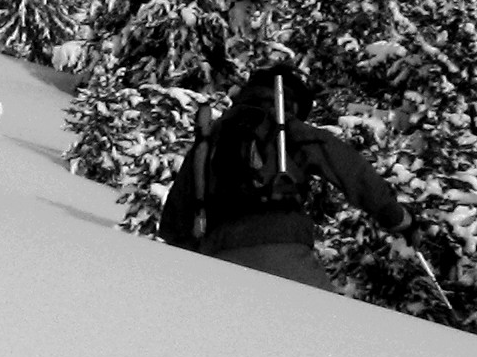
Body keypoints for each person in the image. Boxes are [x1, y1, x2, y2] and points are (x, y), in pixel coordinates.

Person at [158, 65, 410, 290]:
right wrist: (394, 215)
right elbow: (342, 161)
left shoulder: (211, 137)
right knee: (324, 331)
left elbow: (173, 225)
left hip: (220, 256)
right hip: (283, 247)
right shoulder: (283, 127)